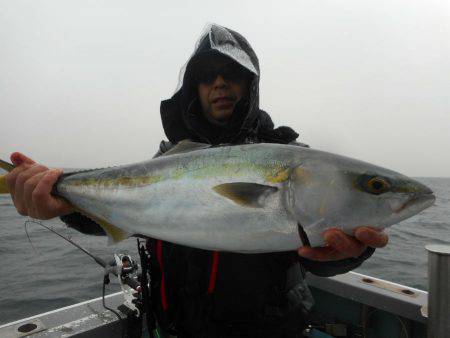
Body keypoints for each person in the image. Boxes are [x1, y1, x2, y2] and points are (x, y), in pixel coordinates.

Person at [5, 24, 388, 337]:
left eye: (232, 73)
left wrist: (349, 252)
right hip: (176, 329)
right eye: (207, 77)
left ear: (250, 84)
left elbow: (312, 256)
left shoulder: (288, 155)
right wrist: (61, 203)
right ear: (194, 89)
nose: (220, 83)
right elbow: (128, 215)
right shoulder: (171, 158)